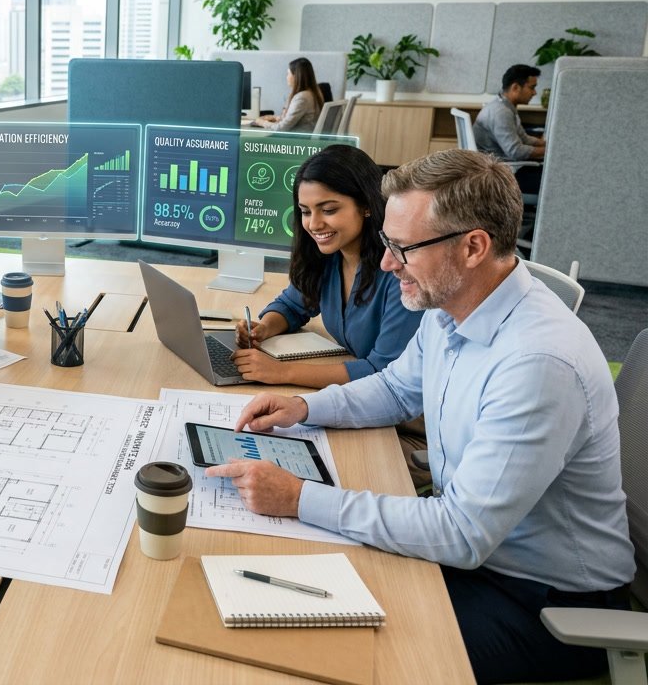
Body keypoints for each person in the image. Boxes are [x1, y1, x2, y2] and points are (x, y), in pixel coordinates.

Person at [208, 149, 633, 684]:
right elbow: (395, 388)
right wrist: (303, 408)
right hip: (478, 560)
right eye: (387, 244)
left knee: (326, 651)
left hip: (544, 603)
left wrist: (298, 497)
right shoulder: (452, 306)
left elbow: (461, 534)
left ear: (474, 246)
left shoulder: (537, 363)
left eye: (403, 248)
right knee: (293, 585)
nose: (386, 264)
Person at [232, 146, 422, 388]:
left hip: (404, 410)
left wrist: (282, 372)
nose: (314, 224)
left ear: (366, 205)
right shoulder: (328, 256)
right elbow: (291, 305)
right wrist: (264, 328)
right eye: (305, 211)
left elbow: (383, 371)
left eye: (329, 210)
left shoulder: (401, 273)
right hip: (357, 392)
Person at [474, 64, 545, 194]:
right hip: (502, 175)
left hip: (501, 169)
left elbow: (523, 138)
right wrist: (549, 152)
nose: (534, 93)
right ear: (515, 87)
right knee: (554, 178)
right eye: (532, 87)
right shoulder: (501, 112)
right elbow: (516, 151)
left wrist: (544, 144)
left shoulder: (504, 105)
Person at [258, 57, 323, 133]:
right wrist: (275, 118)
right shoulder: (313, 93)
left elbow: (282, 128)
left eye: (288, 73)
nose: (287, 77)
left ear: (296, 76)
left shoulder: (302, 97)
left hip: (296, 141)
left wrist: (262, 123)